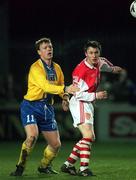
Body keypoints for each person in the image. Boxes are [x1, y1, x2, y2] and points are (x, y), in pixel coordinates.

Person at [10, 37, 79, 176]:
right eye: (45, 48)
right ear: (39, 52)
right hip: (31, 105)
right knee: (32, 136)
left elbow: (60, 86)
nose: (49, 49)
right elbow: (46, 87)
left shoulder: (57, 68)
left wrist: (65, 98)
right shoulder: (36, 68)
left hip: (47, 108)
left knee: (56, 145)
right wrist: (66, 89)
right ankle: (20, 166)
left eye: (50, 47)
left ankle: (44, 166)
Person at [60, 40, 123, 176]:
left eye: (96, 52)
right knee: (88, 135)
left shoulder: (99, 61)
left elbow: (104, 64)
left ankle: (68, 164)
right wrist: (96, 95)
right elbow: (77, 93)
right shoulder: (80, 71)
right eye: (90, 53)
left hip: (87, 103)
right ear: (85, 54)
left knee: (89, 137)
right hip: (79, 102)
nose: (94, 56)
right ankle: (83, 169)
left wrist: (112, 69)